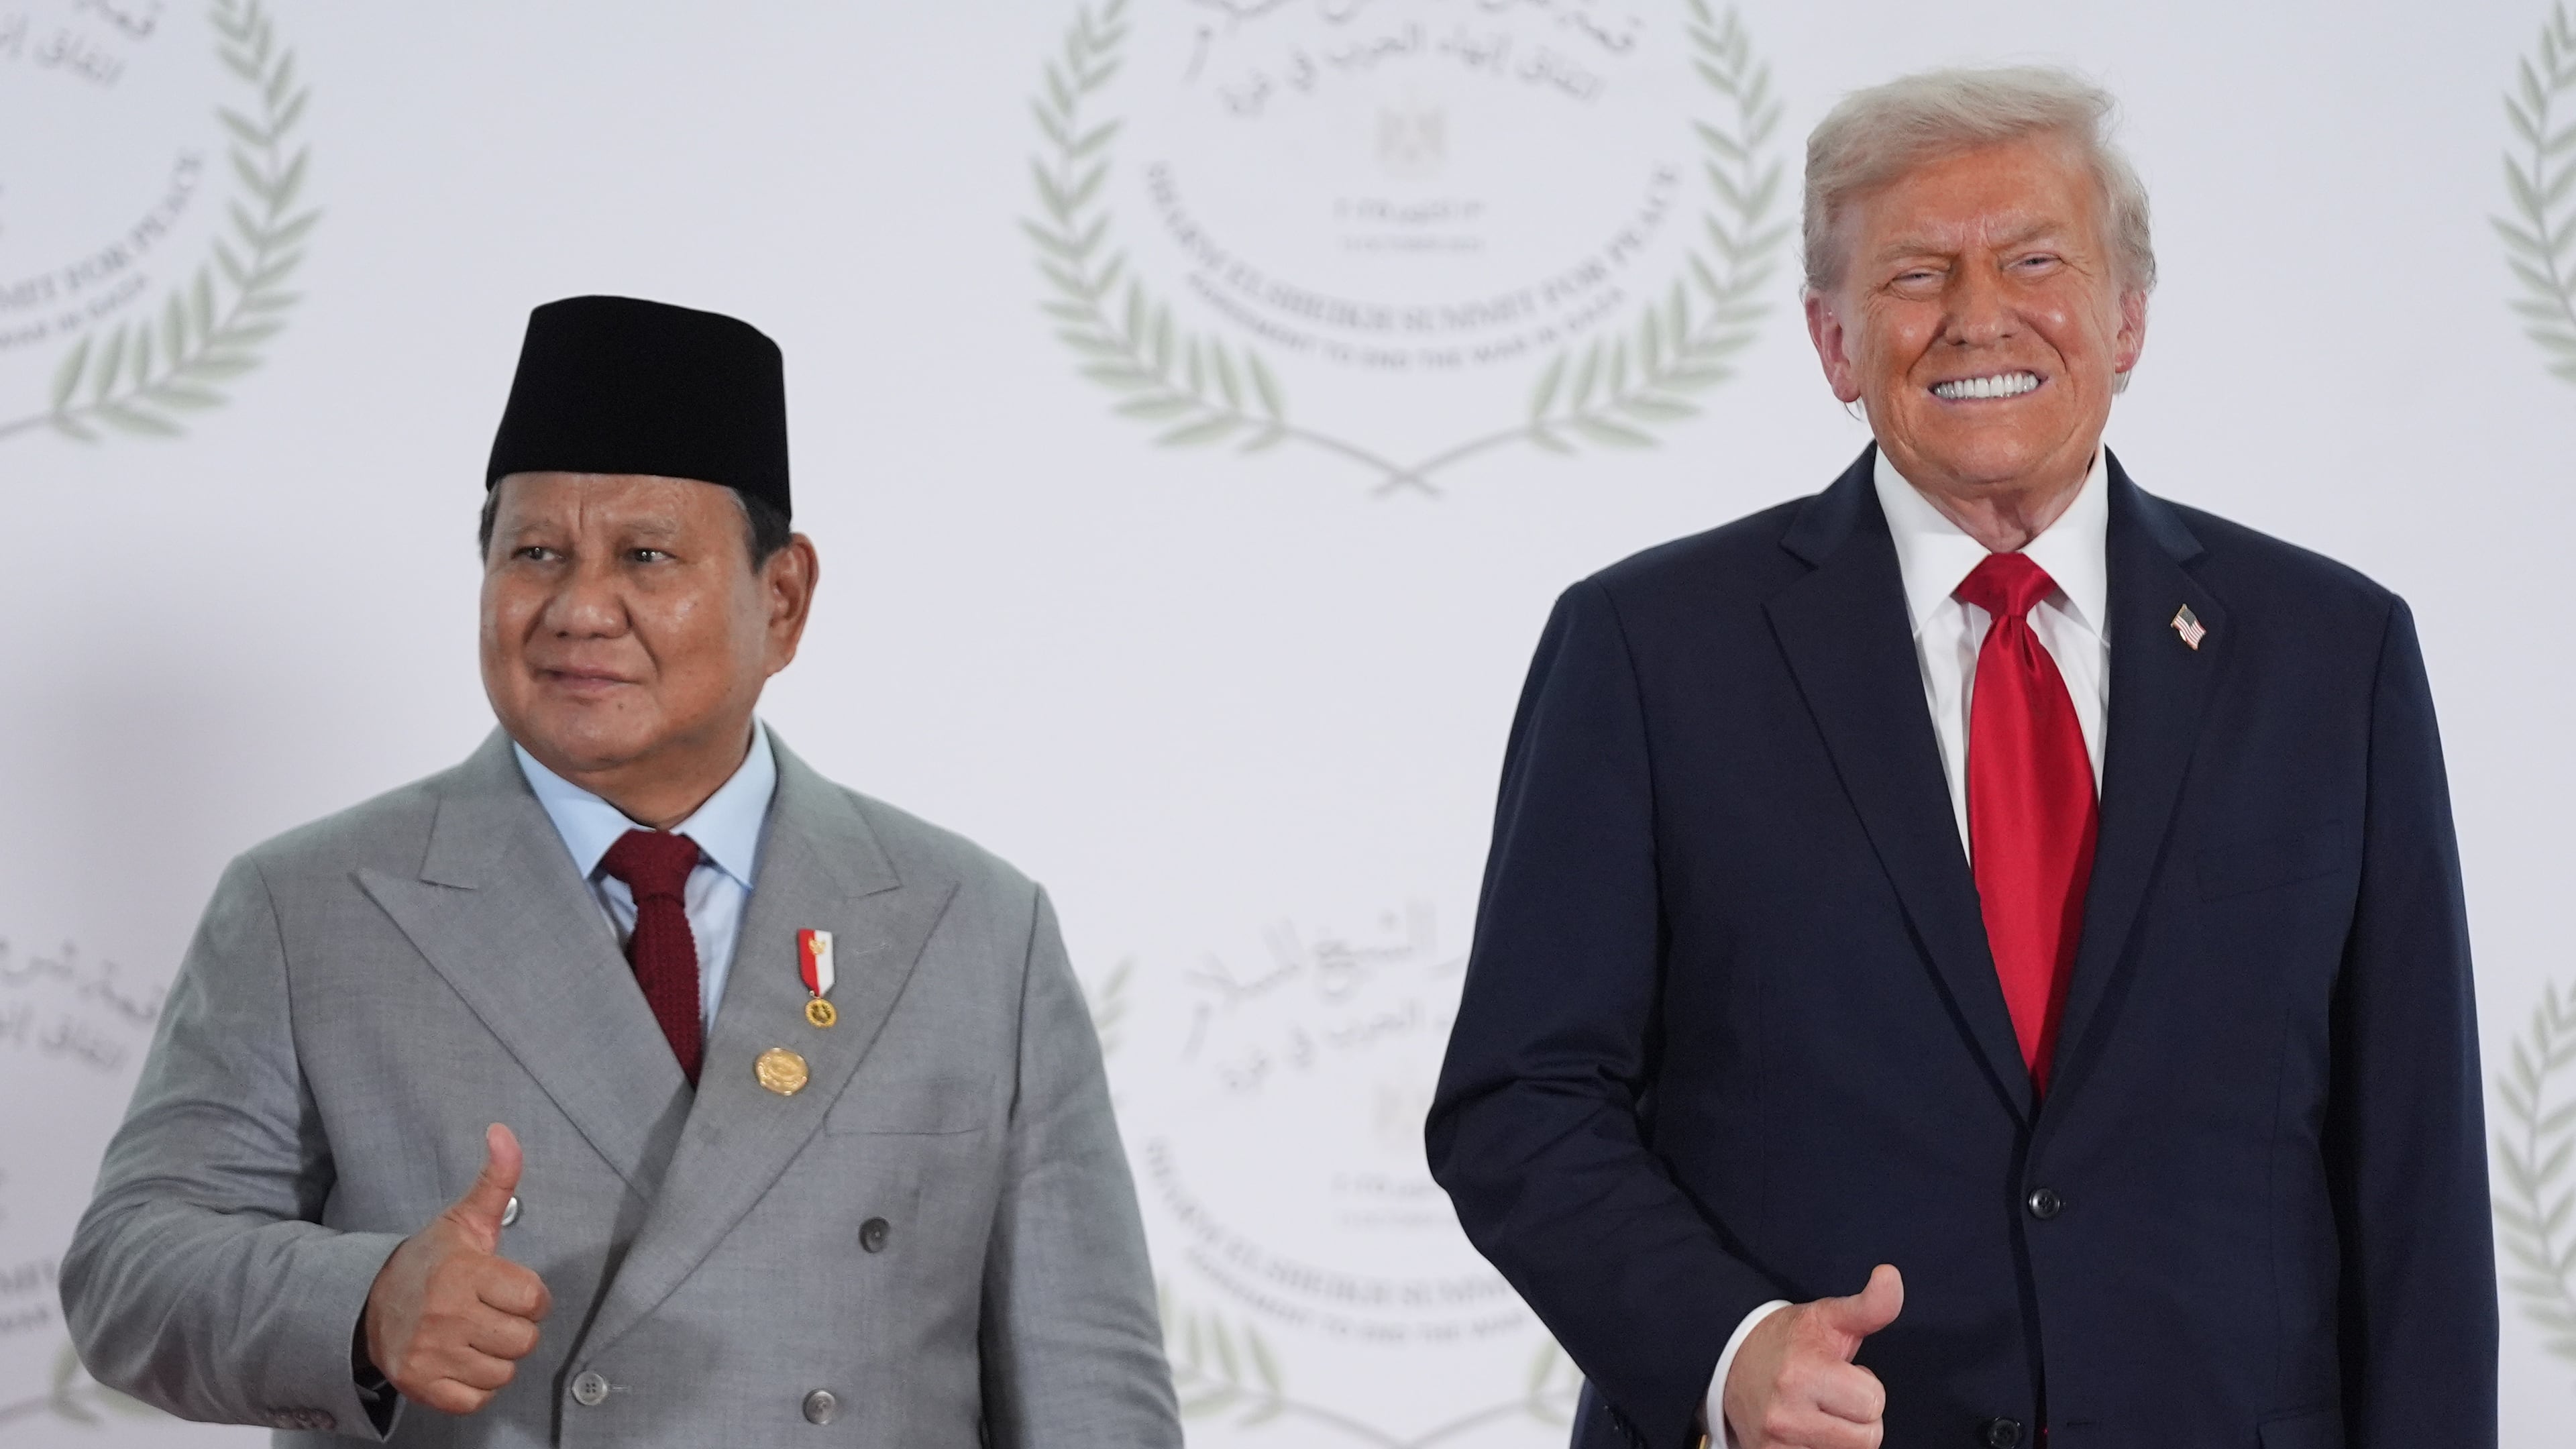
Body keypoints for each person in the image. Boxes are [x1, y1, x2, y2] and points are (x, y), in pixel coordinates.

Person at [1426, 68, 2495, 1449]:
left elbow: (2415, 1161)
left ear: (2125, 318)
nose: (1980, 316)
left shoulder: (2331, 656)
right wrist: (1726, 1349)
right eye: (1918, 274)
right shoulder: (1647, 650)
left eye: (2037, 260)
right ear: (1832, 341)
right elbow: (1523, 1101)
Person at [61, 295, 1181, 1448]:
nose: (580, 608)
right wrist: (364, 1303)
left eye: (646, 557)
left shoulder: (974, 928)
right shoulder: (312, 906)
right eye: (535, 553)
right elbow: (131, 1271)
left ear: (782, 599)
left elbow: (1089, 1382)